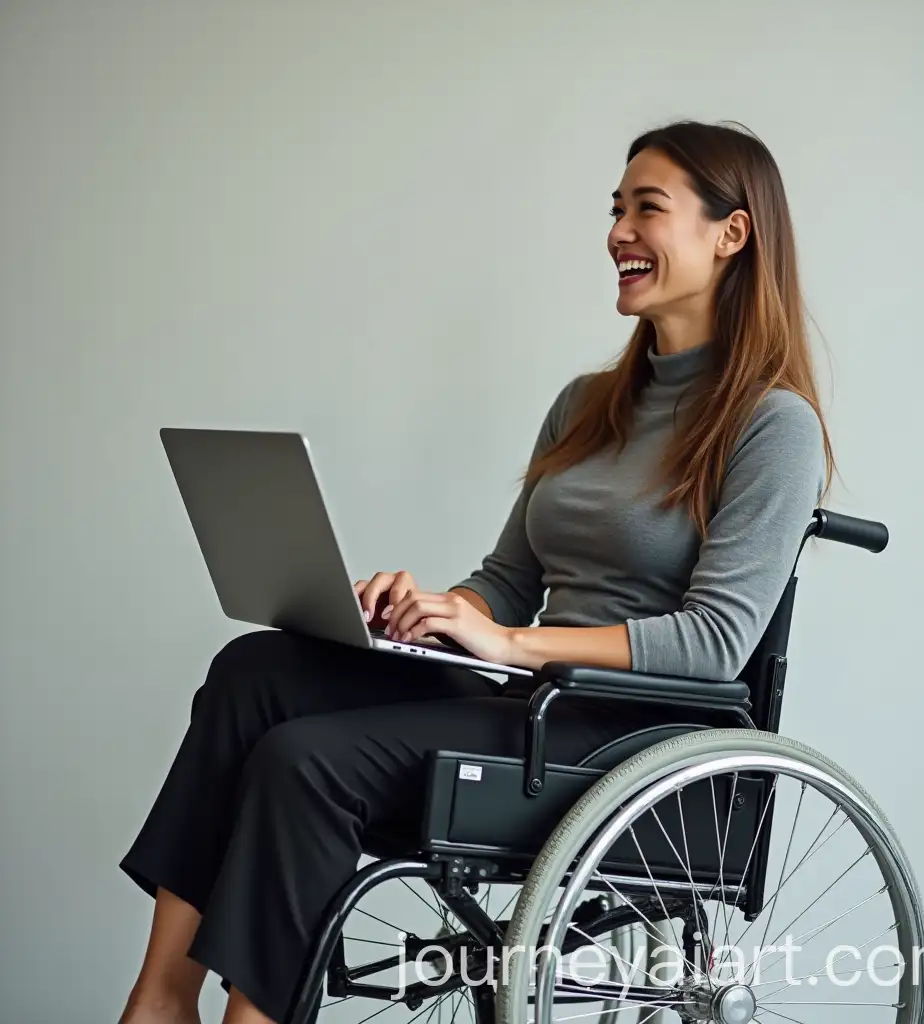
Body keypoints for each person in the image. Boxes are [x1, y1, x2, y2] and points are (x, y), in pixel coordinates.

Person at [118, 119, 833, 1024]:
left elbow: (715, 644)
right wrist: (431, 611)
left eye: (646, 209)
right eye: (614, 209)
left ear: (731, 234)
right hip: (531, 704)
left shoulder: (774, 426)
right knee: (252, 674)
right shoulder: (586, 405)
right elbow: (507, 576)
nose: (617, 232)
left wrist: (504, 640)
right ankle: (160, 999)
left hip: (636, 744)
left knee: (306, 762)